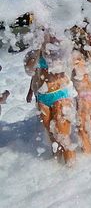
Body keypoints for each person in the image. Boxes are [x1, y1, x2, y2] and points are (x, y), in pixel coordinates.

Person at [25, 31, 76, 165]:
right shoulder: (35, 51)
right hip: (42, 96)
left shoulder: (60, 46)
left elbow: (70, 64)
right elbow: (31, 72)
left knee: (64, 137)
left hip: (61, 93)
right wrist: (30, 91)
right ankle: (57, 169)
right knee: (52, 136)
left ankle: (72, 169)